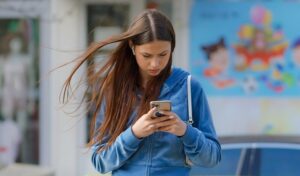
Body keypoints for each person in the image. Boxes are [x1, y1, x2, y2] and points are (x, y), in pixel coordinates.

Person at [61, 9, 221, 176]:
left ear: (172, 48)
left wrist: (185, 131)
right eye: (147, 55)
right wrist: (134, 133)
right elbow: (100, 162)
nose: (155, 63)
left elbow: (212, 158)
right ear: (132, 47)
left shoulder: (189, 87)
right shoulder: (114, 88)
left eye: (163, 54)